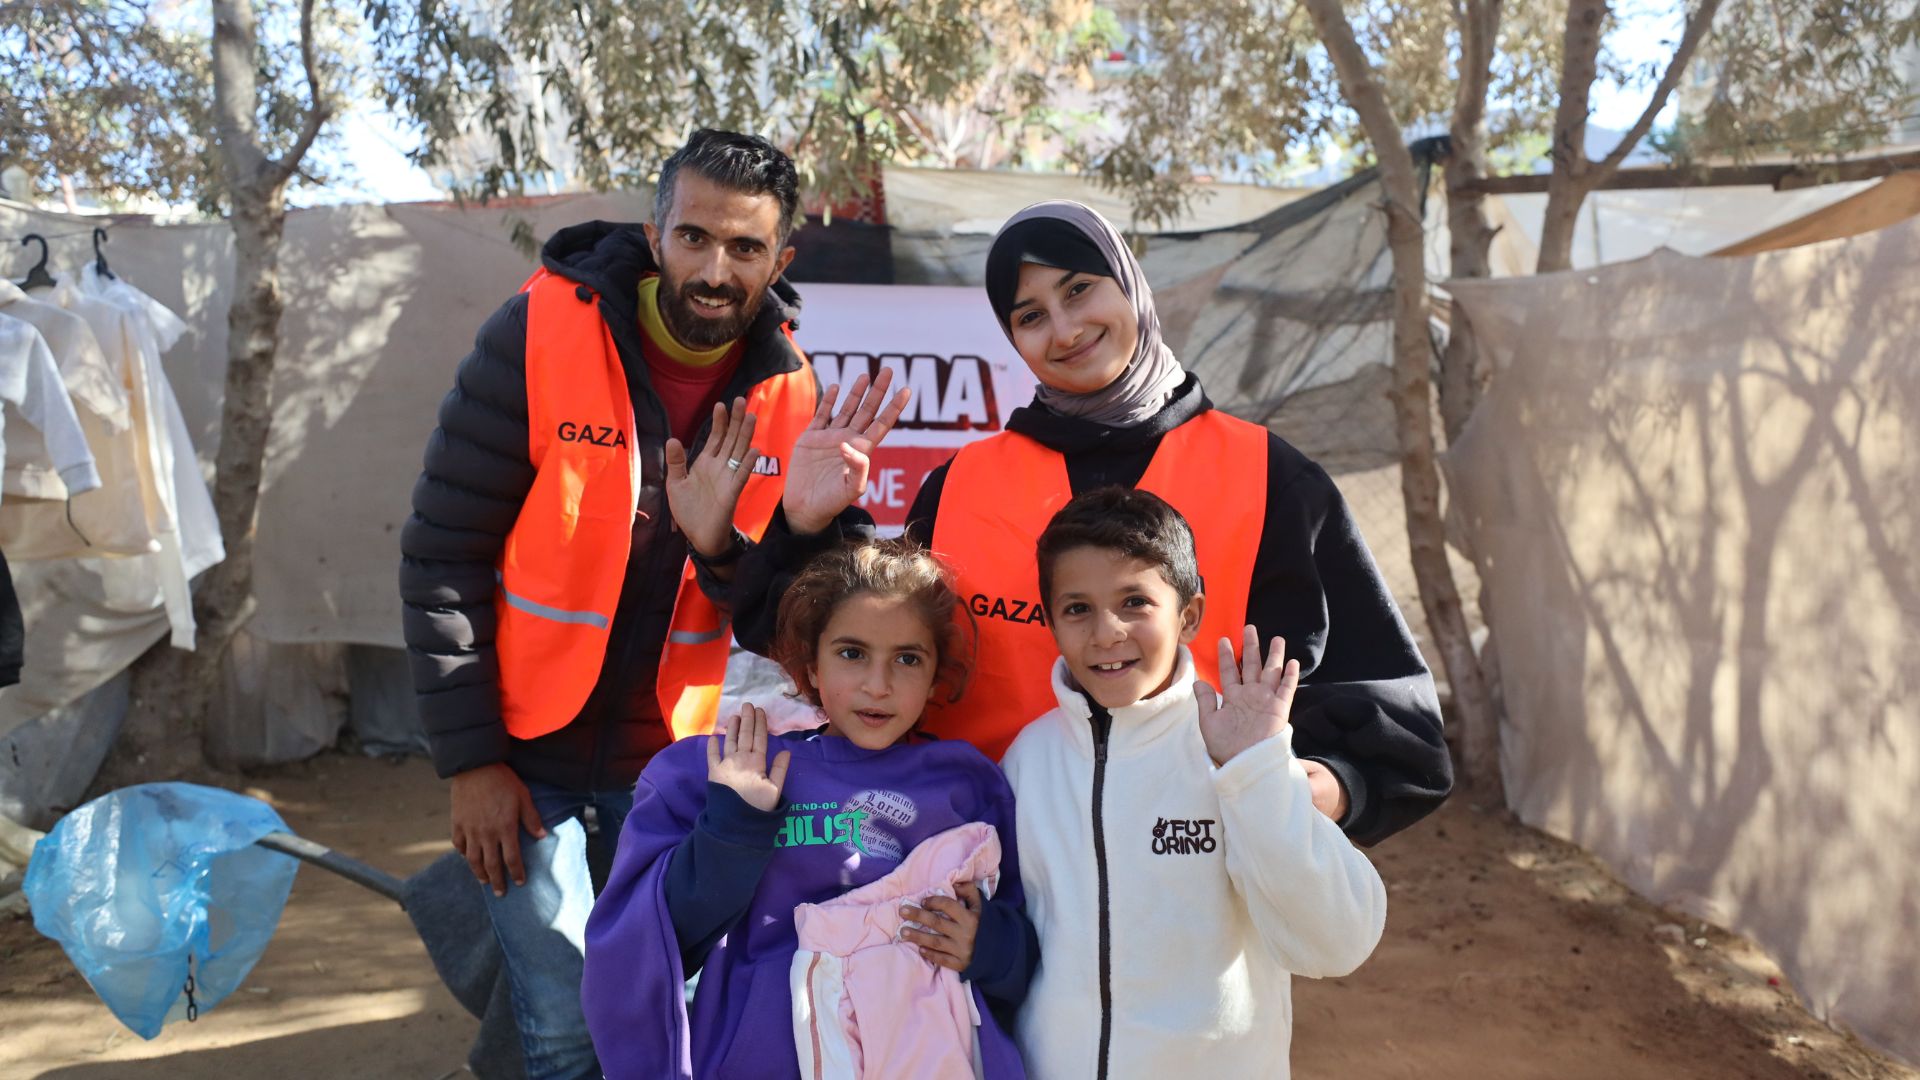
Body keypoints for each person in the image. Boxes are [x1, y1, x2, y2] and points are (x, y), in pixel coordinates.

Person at [724, 199, 1451, 847]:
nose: (1065, 328)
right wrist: (808, 526)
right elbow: (833, 650)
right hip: (989, 896)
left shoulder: (1271, 478)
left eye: (1079, 290)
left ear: (1129, 285)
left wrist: (1291, 796)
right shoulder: (963, 485)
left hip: (1197, 909)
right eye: (1031, 315)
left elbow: (1391, 727)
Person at [399, 129, 863, 1078]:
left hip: (669, 768)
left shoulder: (789, 391)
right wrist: (472, 762)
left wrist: (737, 542)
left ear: (781, 259)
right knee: (567, 1019)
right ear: (656, 235)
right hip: (524, 764)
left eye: (743, 249)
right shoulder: (538, 331)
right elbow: (443, 555)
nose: (713, 269)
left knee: (653, 1007)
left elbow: (776, 619)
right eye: (693, 238)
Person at [580, 538, 1034, 1079]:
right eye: (851, 653)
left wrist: (990, 947)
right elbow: (647, 942)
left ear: (936, 676)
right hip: (763, 1058)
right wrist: (733, 826)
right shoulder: (734, 771)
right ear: (810, 667)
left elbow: (1031, 948)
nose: (878, 684)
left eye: (907, 659)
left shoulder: (967, 784)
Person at [1004, 486, 1385, 1078]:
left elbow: (1338, 941)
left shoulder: (1235, 752)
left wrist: (1256, 773)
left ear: (1189, 616)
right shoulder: (1028, 759)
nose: (1106, 632)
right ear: (1050, 621)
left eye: (1134, 601)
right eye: (1077, 608)